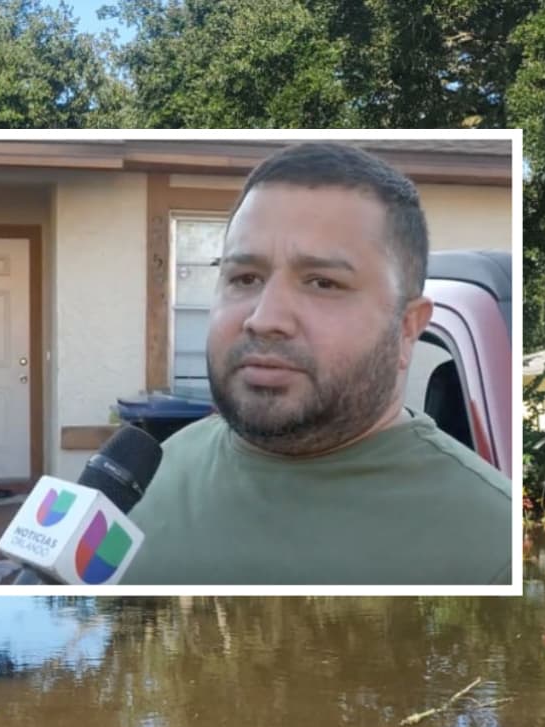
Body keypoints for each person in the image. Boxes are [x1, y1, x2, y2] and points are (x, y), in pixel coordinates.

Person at [123, 142, 511, 585]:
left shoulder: (492, 546)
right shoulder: (151, 475)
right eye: (244, 278)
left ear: (407, 328)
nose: (264, 319)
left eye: (323, 283)